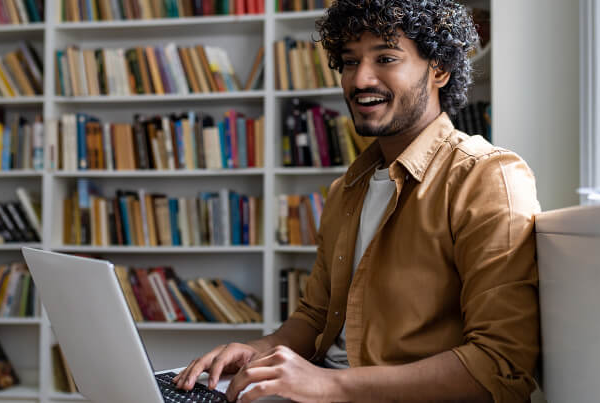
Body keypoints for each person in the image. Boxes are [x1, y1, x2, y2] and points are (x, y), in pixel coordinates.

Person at [173, 0, 540, 401]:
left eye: (386, 58)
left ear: (439, 69)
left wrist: (329, 385)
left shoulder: (486, 176)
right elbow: (316, 317)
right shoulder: (346, 189)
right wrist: (259, 350)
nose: (360, 79)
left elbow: (501, 365)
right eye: (350, 62)